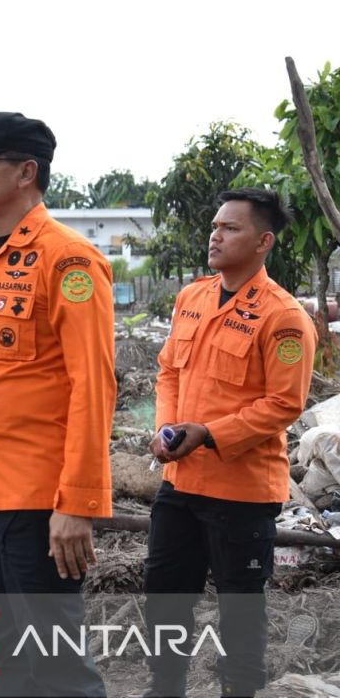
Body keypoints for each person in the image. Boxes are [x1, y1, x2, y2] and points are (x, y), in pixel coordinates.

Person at [0, 112, 115, 697]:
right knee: (5, 660)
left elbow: (94, 386)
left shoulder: (69, 259)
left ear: (25, 172)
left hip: (37, 502)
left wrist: (79, 503)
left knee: (57, 668)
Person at [143, 188, 315, 698]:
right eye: (215, 226)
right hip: (181, 481)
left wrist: (210, 434)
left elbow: (284, 404)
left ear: (263, 242)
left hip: (242, 492)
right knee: (165, 596)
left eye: (230, 228)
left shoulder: (283, 318)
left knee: (240, 607)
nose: (215, 235)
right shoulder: (192, 297)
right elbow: (169, 370)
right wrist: (167, 427)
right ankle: (165, 687)